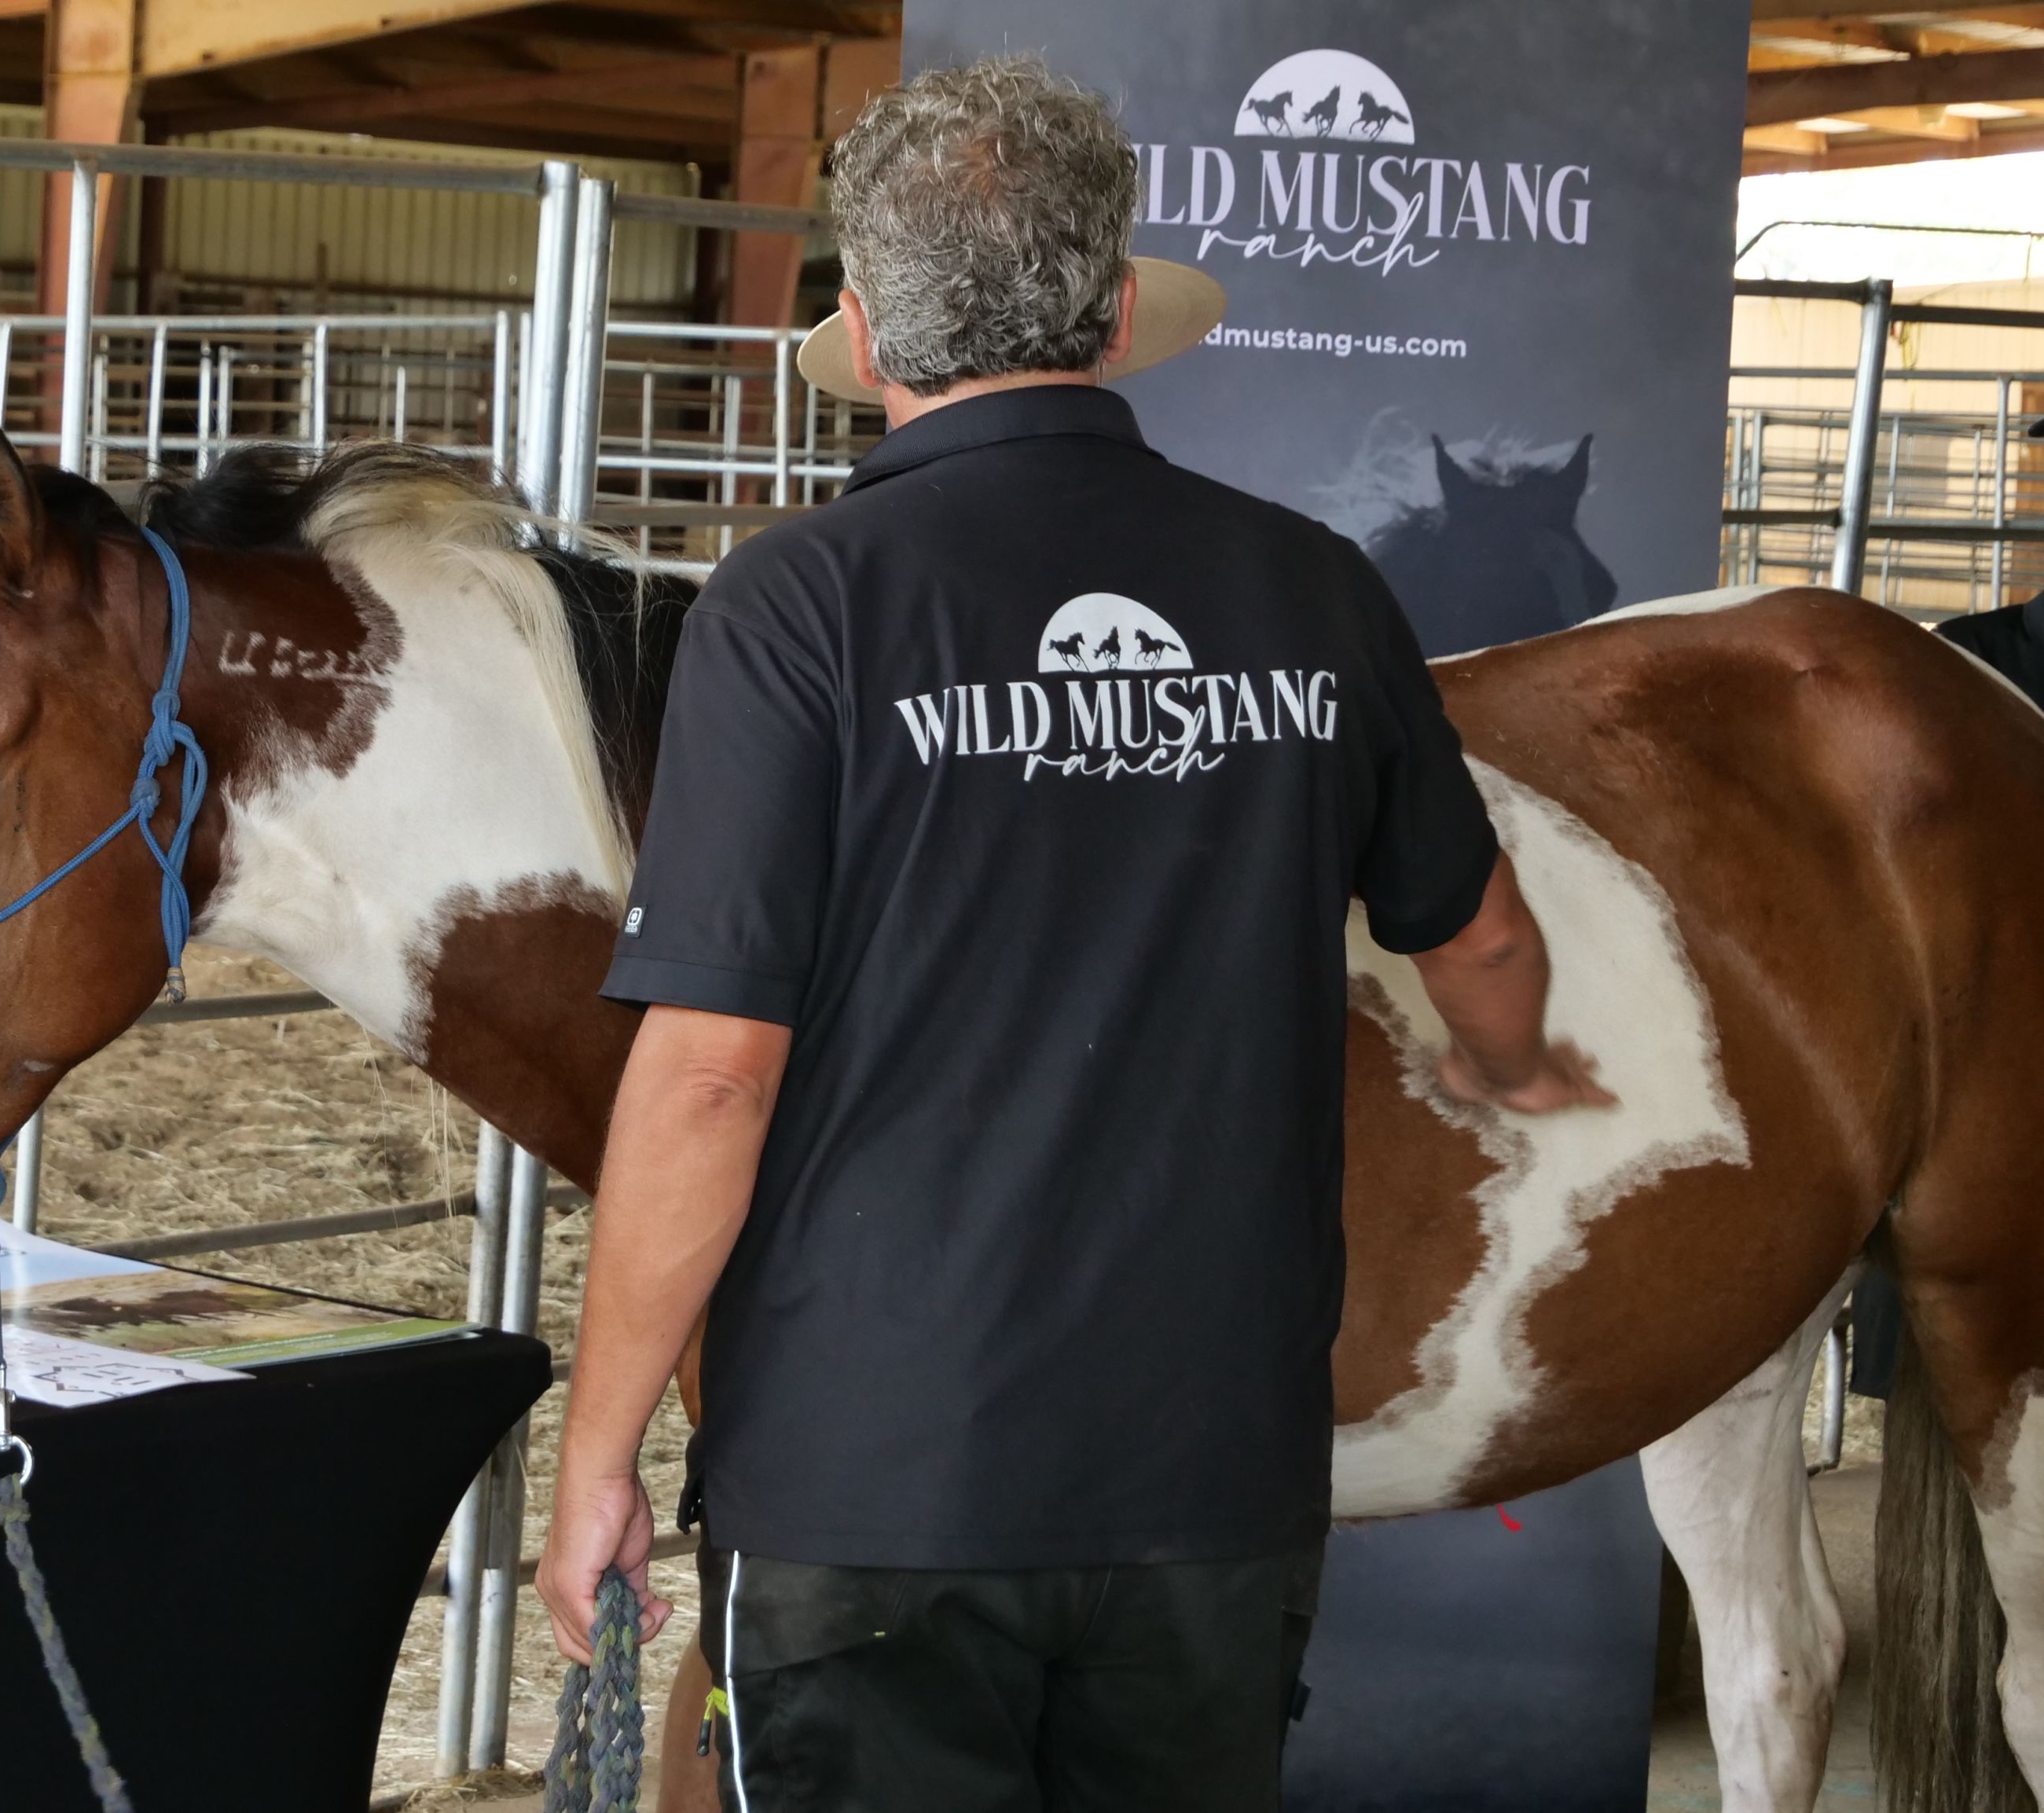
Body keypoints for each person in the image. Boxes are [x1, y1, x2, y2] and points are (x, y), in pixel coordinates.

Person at [536, 58, 1614, 1811]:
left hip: (872, 1484)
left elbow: (715, 1067)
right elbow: (1477, 937)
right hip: (1207, 1478)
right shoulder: (1312, 589)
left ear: (866, 330)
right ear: (1115, 316)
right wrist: (1510, 1063)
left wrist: (597, 1455)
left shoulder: (791, 610)